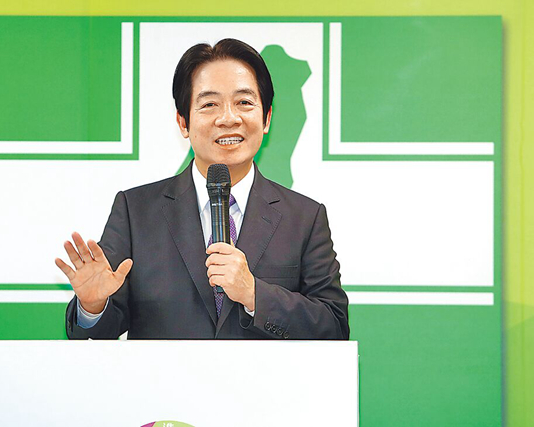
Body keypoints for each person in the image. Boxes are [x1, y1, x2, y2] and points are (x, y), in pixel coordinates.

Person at [57, 38, 349, 340]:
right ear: (183, 122)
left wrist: (254, 294)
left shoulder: (304, 218)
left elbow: (334, 326)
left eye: (244, 102)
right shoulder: (136, 212)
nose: (229, 118)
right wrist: (93, 306)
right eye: (210, 104)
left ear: (266, 119)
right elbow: (97, 334)